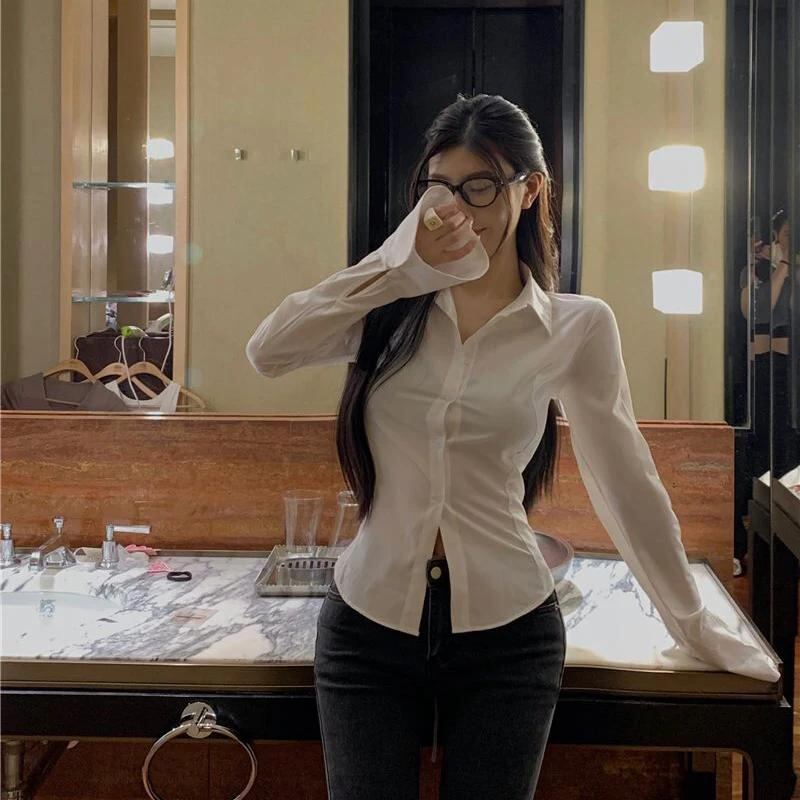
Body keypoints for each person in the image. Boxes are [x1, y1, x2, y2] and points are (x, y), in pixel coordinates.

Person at [246, 93, 779, 800]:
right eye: (439, 187)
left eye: (481, 186)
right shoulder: (387, 307)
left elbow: (626, 482)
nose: (456, 210)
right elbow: (268, 351)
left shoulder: (576, 327)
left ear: (529, 192)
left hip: (509, 635)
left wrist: (692, 622)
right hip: (368, 628)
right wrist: (401, 268)